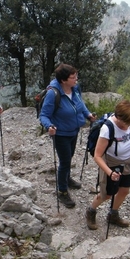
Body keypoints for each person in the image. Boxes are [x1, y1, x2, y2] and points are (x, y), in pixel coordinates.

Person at [86, 100, 130, 230]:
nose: (128, 126)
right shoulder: (107, 129)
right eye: (126, 123)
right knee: (107, 194)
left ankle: (113, 214)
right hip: (111, 164)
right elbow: (98, 156)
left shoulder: (129, 122)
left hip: (128, 162)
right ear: (119, 116)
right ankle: (91, 210)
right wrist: (110, 173)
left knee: (124, 190)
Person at [39, 63, 96, 208]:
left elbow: (80, 104)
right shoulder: (53, 94)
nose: (76, 79)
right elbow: (44, 115)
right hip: (61, 134)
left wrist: (87, 114)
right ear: (63, 80)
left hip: (74, 131)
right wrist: (49, 126)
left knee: (69, 157)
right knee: (65, 161)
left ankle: (66, 178)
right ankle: (62, 191)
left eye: (76, 76)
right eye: (73, 77)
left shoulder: (75, 89)